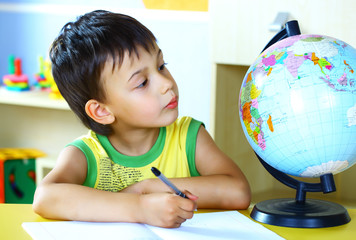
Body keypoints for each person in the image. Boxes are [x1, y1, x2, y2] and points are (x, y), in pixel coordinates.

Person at [33, 10, 251, 228]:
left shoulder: (189, 137)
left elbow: (238, 191)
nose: (166, 83)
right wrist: (140, 207)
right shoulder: (85, 154)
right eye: (142, 83)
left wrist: (146, 187)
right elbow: (45, 197)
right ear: (102, 111)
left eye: (161, 66)